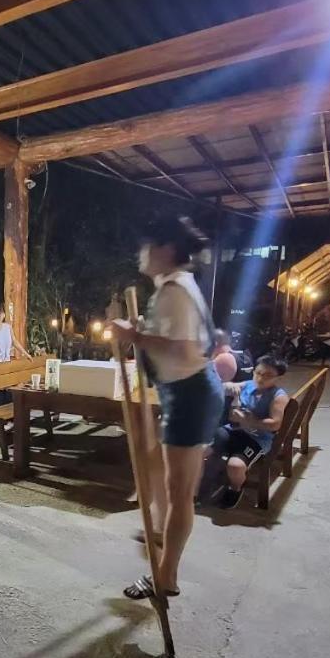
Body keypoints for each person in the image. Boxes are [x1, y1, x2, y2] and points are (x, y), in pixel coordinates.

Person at [108, 215, 224, 602]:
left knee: (180, 493)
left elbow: (184, 350)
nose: (142, 253)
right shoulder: (173, 286)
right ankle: (160, 529)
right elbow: (175, 337)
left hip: (191, 394)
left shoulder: (175, 290)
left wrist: (135, 336)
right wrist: (142, 330)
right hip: (184, 392)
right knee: (158, 467)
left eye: (148, 246)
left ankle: (165, 575)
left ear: (167, 250)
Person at [211, 355, 290, 510]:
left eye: (268, 375)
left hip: (257, 438)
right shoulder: (248, 384)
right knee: (201, 447)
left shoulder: (278, 397)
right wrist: (228, 386)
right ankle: (195, 485)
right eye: (258, 373)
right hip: (233, 430)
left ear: (279, 378)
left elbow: (275, 424)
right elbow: (222, 388)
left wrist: (248, 421)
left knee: (235, 466)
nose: (260, 378)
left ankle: (235, 488)